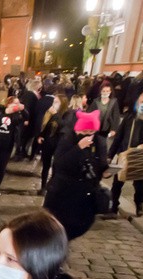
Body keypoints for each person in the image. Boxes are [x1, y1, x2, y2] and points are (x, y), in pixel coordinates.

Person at [43, 109, 107, 240]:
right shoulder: (67, 140)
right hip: (63, 194)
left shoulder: (99, 142)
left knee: (76, 228)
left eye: (91, 132)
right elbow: (60, 164)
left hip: (85, 197)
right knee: (54, 228)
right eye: (85, 132)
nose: (88, 135)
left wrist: (106, 171)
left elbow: (101, 164)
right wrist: (78, 148)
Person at [37, 95, 67, 193]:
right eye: (54, 101)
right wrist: (41, 135)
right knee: (46, 166)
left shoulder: (65, 114)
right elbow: (46, 126)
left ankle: (52, 187)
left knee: (56, 167)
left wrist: (55, 115)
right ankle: (43, 187)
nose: (54, 103)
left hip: (58, 144)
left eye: (57, 102)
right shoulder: (49, 113)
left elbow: (63, 127)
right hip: (48, 143)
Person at [88, 81, 120, 155]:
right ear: (101, 91)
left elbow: (116, 116)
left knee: (103, 145)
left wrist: (114, 129)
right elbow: (90, 113)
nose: (105, 93)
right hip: (95, 127)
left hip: (106, 127)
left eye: (107, 91)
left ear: (110, 91)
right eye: (104, 91)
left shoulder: (113, 102)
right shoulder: (96, 101)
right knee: (93, 144)